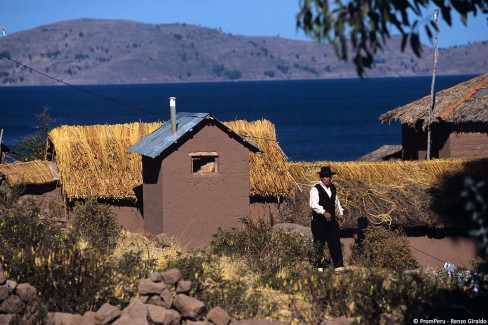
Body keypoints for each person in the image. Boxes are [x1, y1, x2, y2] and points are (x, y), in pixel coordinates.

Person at [309, 166, 346, 270]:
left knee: (335, 242)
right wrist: (323, 212)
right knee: (319, 244)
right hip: (319, 222)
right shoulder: (315, 188)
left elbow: (336, 202)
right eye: (325, 176)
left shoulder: (333, 188)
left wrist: (340, 214)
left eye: (329, 176)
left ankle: (339, 266)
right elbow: (313, 204)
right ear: (321, 177)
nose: (328, 178)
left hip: (332, 221)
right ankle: (319, 266)